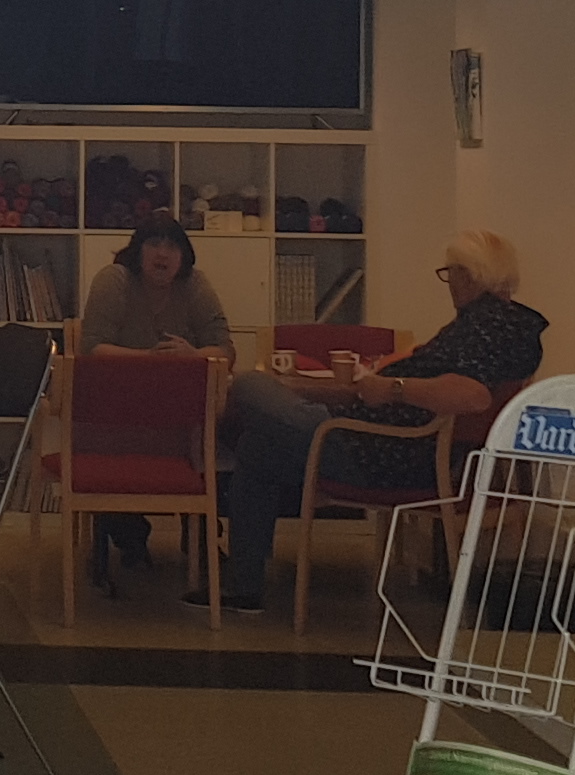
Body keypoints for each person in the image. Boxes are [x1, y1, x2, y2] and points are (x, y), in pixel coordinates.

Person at [214, 230, 547, 616]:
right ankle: (244, 591)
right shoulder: (510, 327)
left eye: (451, 273)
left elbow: (472, 395)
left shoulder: (486, 328)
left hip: (378, 451)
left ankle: (241, 577)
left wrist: (393, 387)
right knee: (259, 447)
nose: (449, 284)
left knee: (248, 385)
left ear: (470, 275)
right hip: (383, 443)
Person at [75, 211, 232, 593]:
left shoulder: (195, 285)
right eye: (154, 244)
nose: (163, 253)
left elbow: (225, 350)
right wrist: (150, 359)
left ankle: (198, 536)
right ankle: (126, 531)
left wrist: (193, 355)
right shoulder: (114, 280)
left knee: (216, 434)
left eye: (172, 245)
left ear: (184, 255)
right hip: (114, 418)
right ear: (137, 250)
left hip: (180, 426)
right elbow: (91, 350)